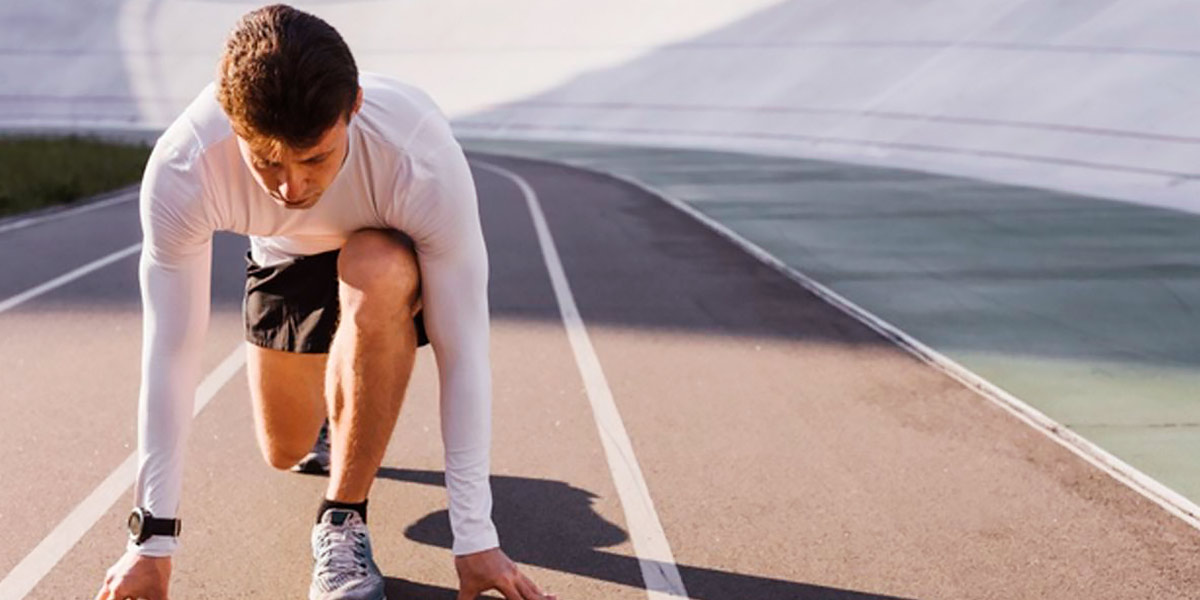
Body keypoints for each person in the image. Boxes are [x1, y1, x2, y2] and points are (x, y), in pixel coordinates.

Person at [94, 5, 557, 600]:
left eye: (314, 157)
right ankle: (329, 418)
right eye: (266, 162)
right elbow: (171, 351)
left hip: (378, 248)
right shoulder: (186, 165)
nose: (291, 187)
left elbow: (463, 348)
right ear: (232, 122)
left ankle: (342, 517)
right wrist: (150, 544)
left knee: (377, 267)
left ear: (353, 107)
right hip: (282, 258)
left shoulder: (418, 155)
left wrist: (474, 536)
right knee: (284, 449)